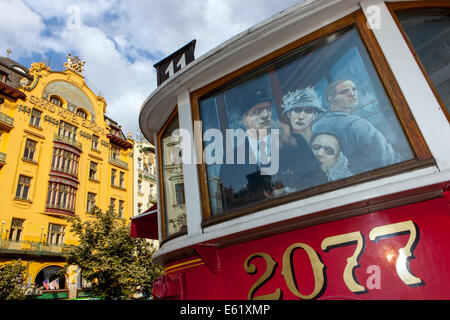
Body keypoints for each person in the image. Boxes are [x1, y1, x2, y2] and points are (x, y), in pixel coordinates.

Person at [219, 86, 327, 210]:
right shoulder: (231, 160)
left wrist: (294, 191)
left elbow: (320, 180)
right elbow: (227, 205)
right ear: (245, 120)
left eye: (268, 109)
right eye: (257, 111)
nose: (265, 115)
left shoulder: (296, 143)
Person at [312, 79, 400, 175]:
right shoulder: (355, 123)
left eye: (354, 89)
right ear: (332, 100)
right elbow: (386, 158)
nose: (352, 94)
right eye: (344, 91)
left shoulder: (316, 127)